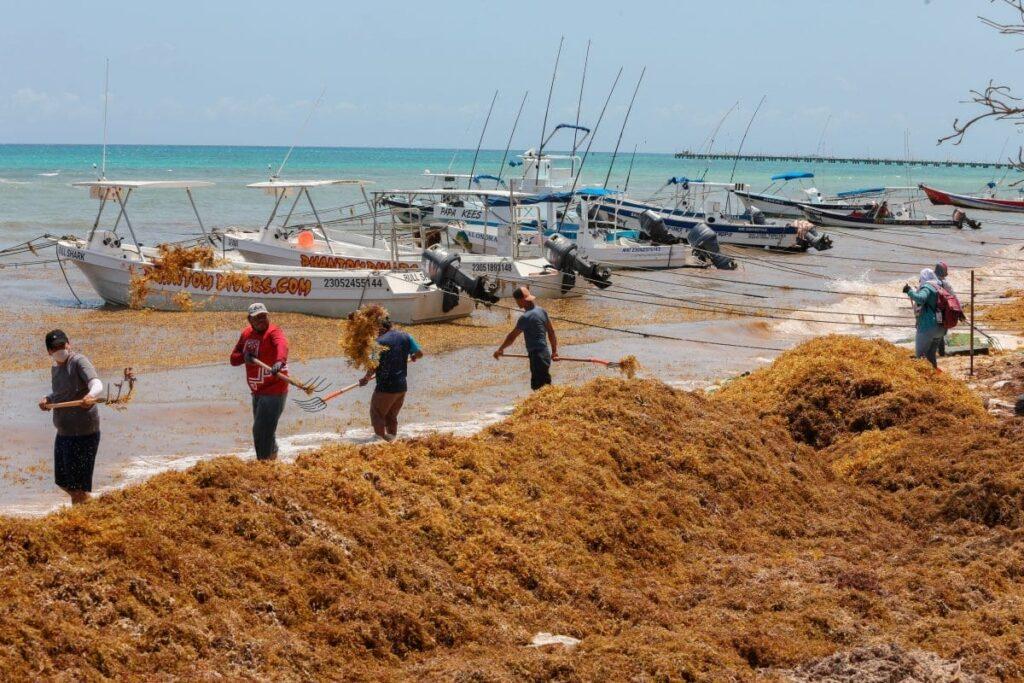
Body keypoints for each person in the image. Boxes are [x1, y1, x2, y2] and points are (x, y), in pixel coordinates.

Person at [38, 329, 103, 505]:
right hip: (64, 433)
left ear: (69, 344)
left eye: (62, 345)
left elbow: (96, 383)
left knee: (76, 487)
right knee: (63, 482)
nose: (60, 349)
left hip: (84, 434)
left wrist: (90, 396)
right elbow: (61, 394)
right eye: (55, 347)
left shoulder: (78, 361)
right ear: (49, 351)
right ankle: (89, 506)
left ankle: (84, 518)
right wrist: (48, 399)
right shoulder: (55, 369)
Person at [230, 302, 289, 461]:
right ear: (250, 320)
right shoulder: (246, 334)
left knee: (260, 431)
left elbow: (282, 345)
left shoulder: (273, 332)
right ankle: (272, 462)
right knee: (267, 431)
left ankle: (263, 466)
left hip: (275, 389)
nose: (262, 320)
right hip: (257, 391)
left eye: (264, 316)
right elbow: (233, 360)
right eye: (257, 318)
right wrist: (244, 357)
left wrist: (279, 361)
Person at [358, 316, 423, 441]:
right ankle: (392, 439)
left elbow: (373, 366)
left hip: (386, 387)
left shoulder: (378, 343)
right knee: (391, 416)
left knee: (377, 414)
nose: (375, 333)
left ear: (381, 328)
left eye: (376, 330)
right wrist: (413, 356)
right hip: (402, 386)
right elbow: (420, 353)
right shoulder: (406, 336)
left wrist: (365, 379)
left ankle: (379, 442)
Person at [493, 286, 559, 390]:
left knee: (539, 387)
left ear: (522, 300)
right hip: (545, 354)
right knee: (544, 385)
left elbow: (512, 336)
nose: (517, 303)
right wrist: (554, 351)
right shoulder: (542, 311)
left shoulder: (525, 317)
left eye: (516, 301)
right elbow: (551, 332)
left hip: (537, 356)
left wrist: (500, 349)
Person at [904, 268, 945, 369]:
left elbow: (921, 299)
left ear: (924, 277)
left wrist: (909, 291)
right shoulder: (938, 286)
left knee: (920, 356)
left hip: (928, 327)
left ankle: (925, 380)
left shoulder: (927, 287)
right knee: (931, 355)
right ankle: (934, 377)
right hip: (940, 328)